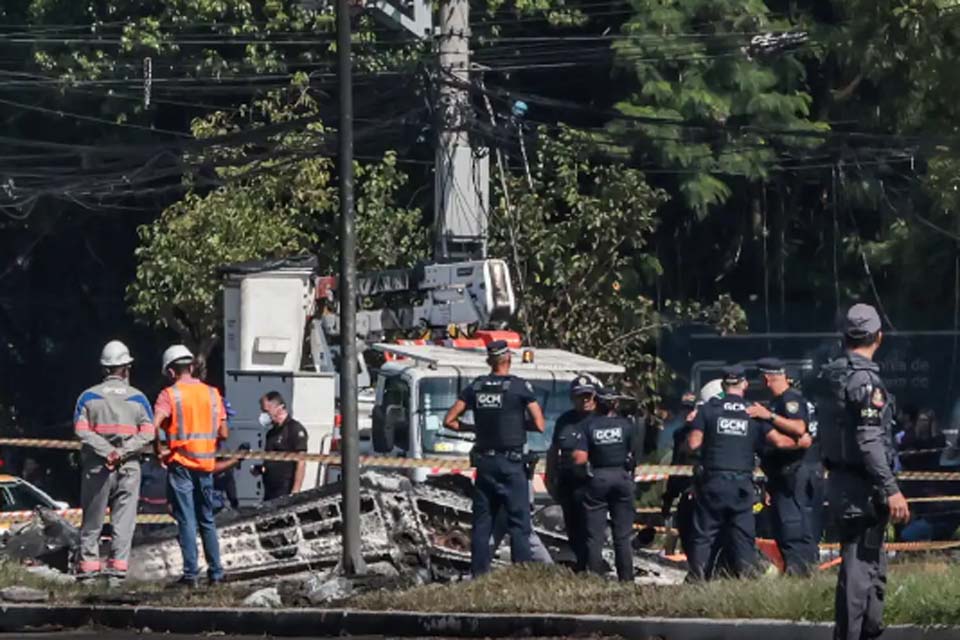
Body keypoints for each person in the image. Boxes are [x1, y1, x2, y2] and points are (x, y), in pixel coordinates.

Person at [818, 303, 910, 640]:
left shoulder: (831, 375)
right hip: (864, 489)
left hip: (842, 483)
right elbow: (869, 439)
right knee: (860, 570)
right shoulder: (866, 381)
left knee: (870, 566)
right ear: (878, 337)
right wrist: (891, 488)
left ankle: (868, 631)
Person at [686, 364, 812, 581]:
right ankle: (746, 581)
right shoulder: (753, 412)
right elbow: (780, 442)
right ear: (744, 384)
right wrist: (802, 443)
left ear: (724, 385)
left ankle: (698, 581)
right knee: (743, 536)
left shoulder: (707, 410)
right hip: (742, 485)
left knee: (704, 536)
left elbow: (693, 444)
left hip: (713, 482)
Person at [443, 339, 546, 577]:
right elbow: (540, 424)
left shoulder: (476, 387)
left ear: (490, 360)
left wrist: (472, 428)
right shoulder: (519, 387)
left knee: (482, 524)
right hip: (511, 464)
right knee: (519, 523)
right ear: (508, 358)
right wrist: (519, 425)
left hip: (485, 465)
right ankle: (521, 575)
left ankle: (479, 575)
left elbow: (449, 420)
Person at [73, 340, 154, 583]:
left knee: (92, 520)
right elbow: (148, 433)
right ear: (127, 368)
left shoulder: (87, 397)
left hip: (98, 466)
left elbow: (81, 431)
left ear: (104, 369)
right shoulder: (139, 398)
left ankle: (88, 573)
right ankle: (116, 574)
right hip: (128, 467)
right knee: (124, 521)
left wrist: (106, 451)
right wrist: (122, 451)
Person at [152, 344, 228, 587]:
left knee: (186, 520)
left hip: (182, 465)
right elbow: (224, 432)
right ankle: (216, 574)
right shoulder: (212, 394)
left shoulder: (169, 395)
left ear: (171, 372)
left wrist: (158, 451)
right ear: (192, 367)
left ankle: (191, 576)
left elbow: (153, 425)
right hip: (205, 465)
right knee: (207, 519)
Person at [749, 357, 818, 576]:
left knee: (791, 525)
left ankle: (800, 570)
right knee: (783, 524)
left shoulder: (790, 400)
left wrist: (767, 416)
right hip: (781, 476)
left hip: (793, 473)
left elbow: (799, 428)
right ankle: (796, 568)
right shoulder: (780, 402)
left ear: (767, 377)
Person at [573, 387, 639, 581]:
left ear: (597, 402)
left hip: (598, 477)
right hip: (622, 477)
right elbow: (633, 455)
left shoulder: (588, 425)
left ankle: (595, 579)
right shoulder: (627, 425)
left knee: (595, 536)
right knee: (623, 535)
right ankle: (626, 580)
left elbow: (579, 459)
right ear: (616, 404)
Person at [545, 373, 600, 570]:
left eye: (588, 395)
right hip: (568, 481)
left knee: (592, 529)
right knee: (573, 528)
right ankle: (580, 564)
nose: (585, 400)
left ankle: (593, 567)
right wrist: (549, 477)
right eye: (580, 396)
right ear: (572, 398)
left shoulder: (601, 419)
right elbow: (553, 451)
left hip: (592, 483)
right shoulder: (564, 421)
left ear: (595, 396)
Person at [661, 391, 699, 556]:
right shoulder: (679, 434)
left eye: (691, 409)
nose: (687, 413)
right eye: (684, 409)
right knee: (684, 528)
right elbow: (675, 465)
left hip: (703, 488)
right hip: (684, 489)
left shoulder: (708, 432)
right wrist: (669, 497)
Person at [251, 391, 309, 501]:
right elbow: (271, 461)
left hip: (285, 489)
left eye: (266, 411)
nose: (263, 415)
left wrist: (295, 491)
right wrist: (261, 469)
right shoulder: (271, 433)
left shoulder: (294, 429)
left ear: (279, 408)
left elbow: (301, 462)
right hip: (270, 490)